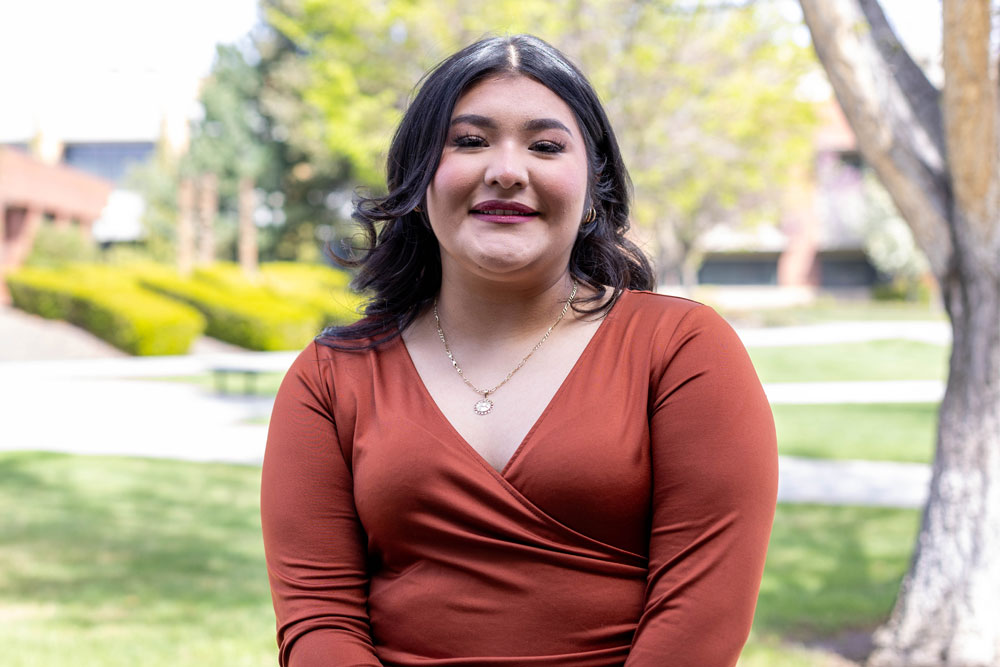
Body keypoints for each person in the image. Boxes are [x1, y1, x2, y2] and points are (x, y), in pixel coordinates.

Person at [260, 34, 777, 667]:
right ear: (420, 177)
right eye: (470, 141)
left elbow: (701, 621)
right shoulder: (330, 379)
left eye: (546, 146)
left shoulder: (683, 351)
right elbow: (320, 623)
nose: (507, 170)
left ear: (594, 186)